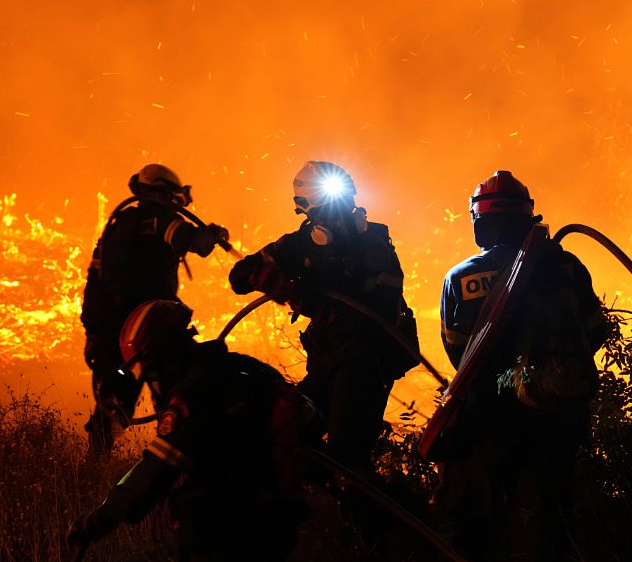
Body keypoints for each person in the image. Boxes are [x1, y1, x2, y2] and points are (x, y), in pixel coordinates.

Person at [437, 170, 612, 561]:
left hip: (487, 421)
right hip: (558, 415)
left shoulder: (461, 277)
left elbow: (458, 354)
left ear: (479, 220)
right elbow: (594, 332)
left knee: (471, 527)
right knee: (551, 525)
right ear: (526, 214)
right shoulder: (566, 267)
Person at [67, 300, 308, 561]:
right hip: (273, 510)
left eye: (151, 371)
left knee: (193, 506)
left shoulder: (191, 394)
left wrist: (97, 521)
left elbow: (157, 470)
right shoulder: (234, 366)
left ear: (167, 355)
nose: (152, 384)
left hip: (237, 518)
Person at [228, 160, 418, 471]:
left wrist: (317, 306)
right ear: (306, 210)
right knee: (287, 429)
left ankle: (377, 512)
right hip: (326, 362)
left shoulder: (374, 243)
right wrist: (267, 279)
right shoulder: (300, 244)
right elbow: (239, 276)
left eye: (343, 201)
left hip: (366, 361)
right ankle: (320, 501)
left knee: (348, 455)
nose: (339, 213)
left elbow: (380, 315)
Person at [80, 164, 229, 452]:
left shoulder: (119, 225)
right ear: (168, 193)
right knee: (175, 394)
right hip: (153, 329)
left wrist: (94, 333)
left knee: (113, 398)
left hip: (115, 331)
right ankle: (176, 463)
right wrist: (213, 234)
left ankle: (95, 465)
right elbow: (192, 240)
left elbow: (96, 279)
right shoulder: (162, 219)